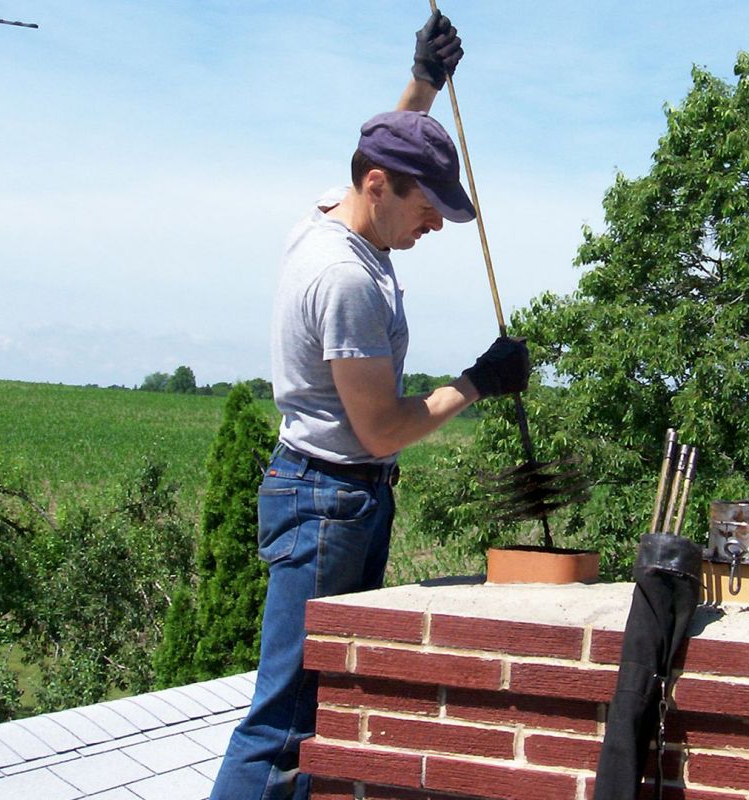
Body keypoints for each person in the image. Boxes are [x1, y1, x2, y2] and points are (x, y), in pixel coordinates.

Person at [208, 10, 530, 800]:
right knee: (286, 722)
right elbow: (382, 426)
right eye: (428, 209)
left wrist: (423, 81)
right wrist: (479, 381)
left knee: (315, 706)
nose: (435, 225)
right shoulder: (347, 279)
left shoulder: (332, 214)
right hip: (327, 505)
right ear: (379, 191)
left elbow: (385, 148)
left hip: (334, 496)